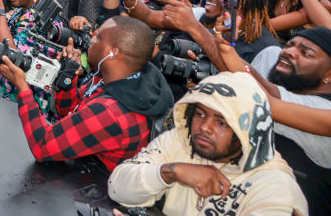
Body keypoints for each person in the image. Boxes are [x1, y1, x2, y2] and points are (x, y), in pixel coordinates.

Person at [108, 71, 307, 215]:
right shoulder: (182, 140)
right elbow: (117, 187)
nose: (204, 127)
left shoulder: (275, 189)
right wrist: (170, 172)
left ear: (248, 130)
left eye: (221, 122)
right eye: (200, 114)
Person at [0, 15, 173, 170]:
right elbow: (69, 110)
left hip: (100, 193)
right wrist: (69, 72)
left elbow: (42, 147)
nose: (90, 38)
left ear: (111, 53)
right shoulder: (124, 77)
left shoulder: (109, 111)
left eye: (98, 38)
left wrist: (22, 87)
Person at [232, 27, 331, 211]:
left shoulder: (326, 110)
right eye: (289, 45)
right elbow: (256, 79)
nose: (289, 52)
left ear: (329, 75)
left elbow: (266, 99)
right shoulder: (292, 88)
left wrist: (199, 32)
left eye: (306, 53)